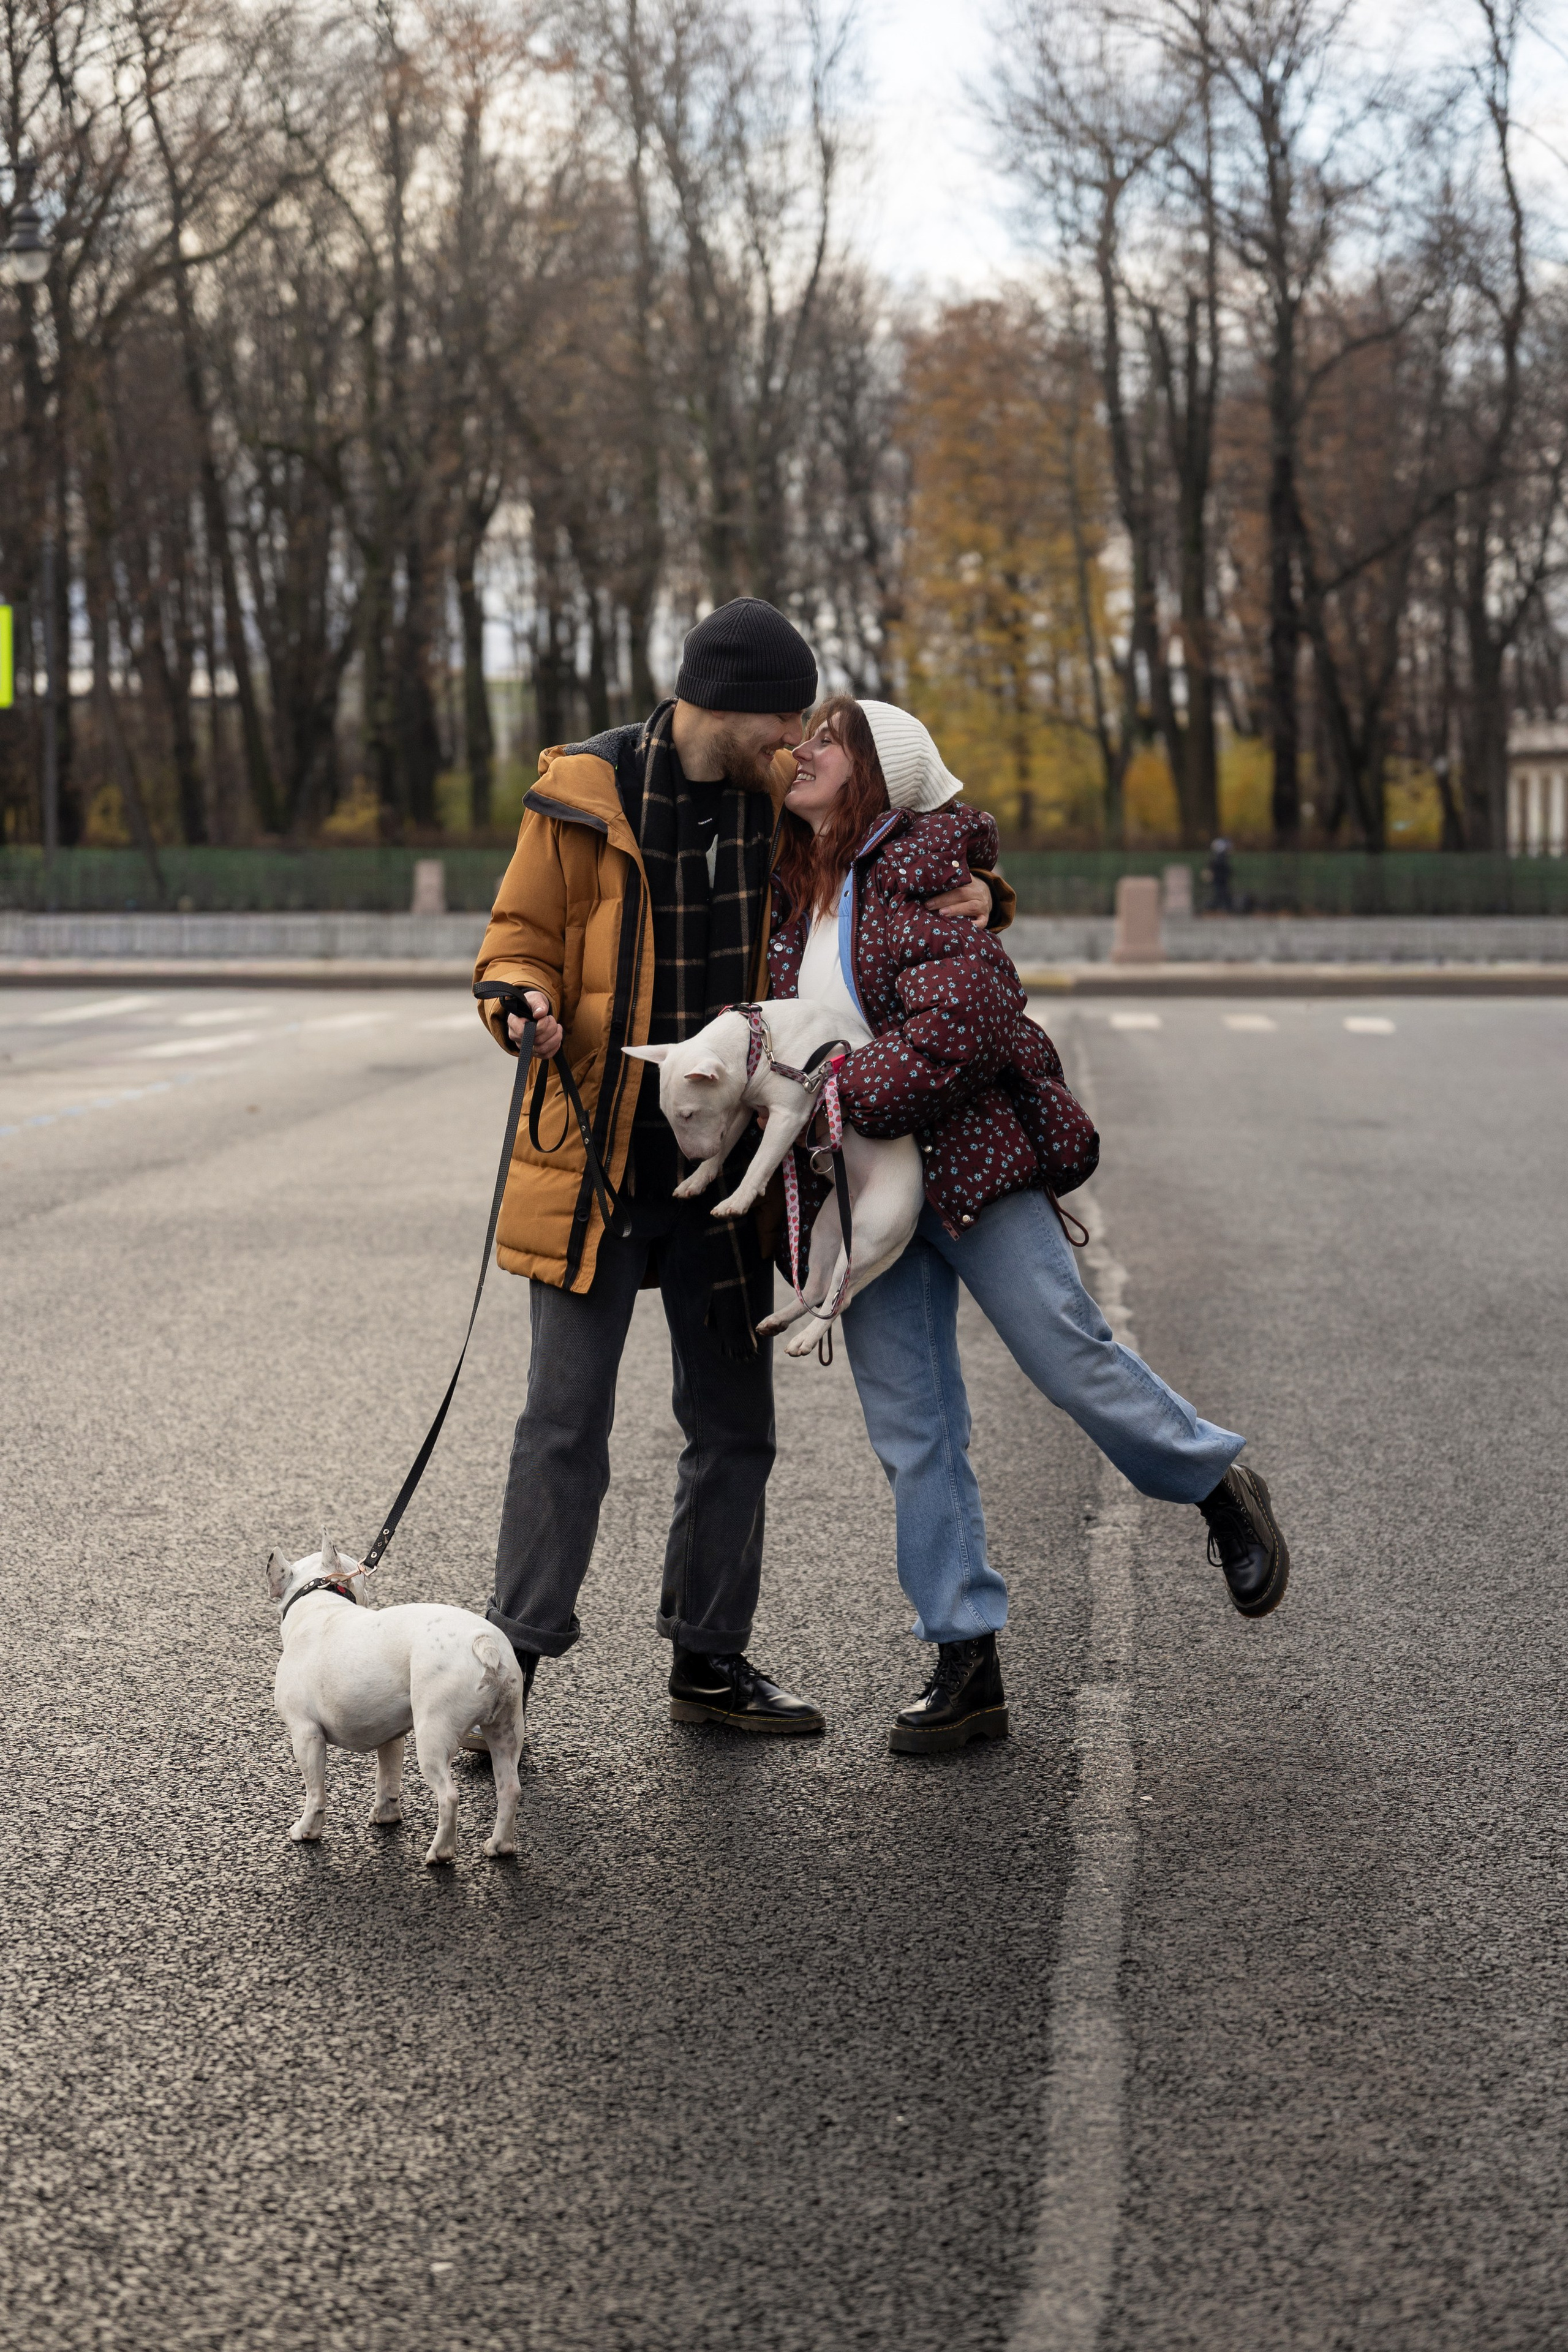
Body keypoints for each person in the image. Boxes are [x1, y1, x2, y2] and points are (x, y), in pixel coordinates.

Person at [470, 600, 999, 1737]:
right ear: (719, 703)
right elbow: (516, 938)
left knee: (734, 1426)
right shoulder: (585, 792)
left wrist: (986, 896)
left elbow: (913, 852)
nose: (797, 745)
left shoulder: (789, 808)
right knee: (564, 1422)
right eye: (782, 719)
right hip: (599, 1159)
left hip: (735, 1167)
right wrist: (519, 1002)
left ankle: (709, 1664)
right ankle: (504, 1680)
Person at [770, 696, 1291, 1755]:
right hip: (868, 1194)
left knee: (1068, 1354)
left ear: (884, 776)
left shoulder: (925, 872)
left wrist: (840, 1096)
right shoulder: (791, 888)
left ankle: (1215, 1479)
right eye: (805, 735)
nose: (805, 749)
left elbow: (964, 1026)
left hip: (971, 1164)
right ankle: (965, 1657)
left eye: (833, 739)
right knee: (914, 1429)